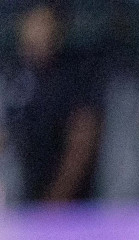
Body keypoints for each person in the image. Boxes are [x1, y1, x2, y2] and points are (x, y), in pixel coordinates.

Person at [3, 3, 102, 203]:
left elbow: (82, 144)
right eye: (34, 22)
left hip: (71, 206)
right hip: (21, 202)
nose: (40, 32)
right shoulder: (13, 72)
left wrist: (54, 203)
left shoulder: (77, 74)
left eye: (46, 23)